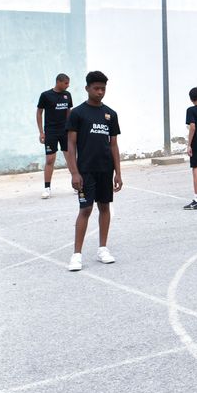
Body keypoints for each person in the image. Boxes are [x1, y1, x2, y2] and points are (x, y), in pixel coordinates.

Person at [65, 71, 122, 272]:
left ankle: (102, 249)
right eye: (96, 88)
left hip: (105, 170)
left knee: (104, 207)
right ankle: (76, 255)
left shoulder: (110, 114)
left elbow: (114, 145)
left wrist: (118, 173)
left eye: (103, 89)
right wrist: (74, 172)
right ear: (87, 88)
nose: (100, 92)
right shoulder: (78, 113)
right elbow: (71, 145)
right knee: (86, 209)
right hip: (85, 171)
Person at [36, 73, 73, 199]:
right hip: (51, 132)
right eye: (66, 83)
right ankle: (47, 188)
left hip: (65, 132)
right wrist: (41, 132)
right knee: (50, 160)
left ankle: (76, 184)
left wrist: (71, 129)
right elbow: (39, 112)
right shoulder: (45, 95)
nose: (68, 86)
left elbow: (69, 112)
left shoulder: (67, 95)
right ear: (59, 82)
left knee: (70, 158)